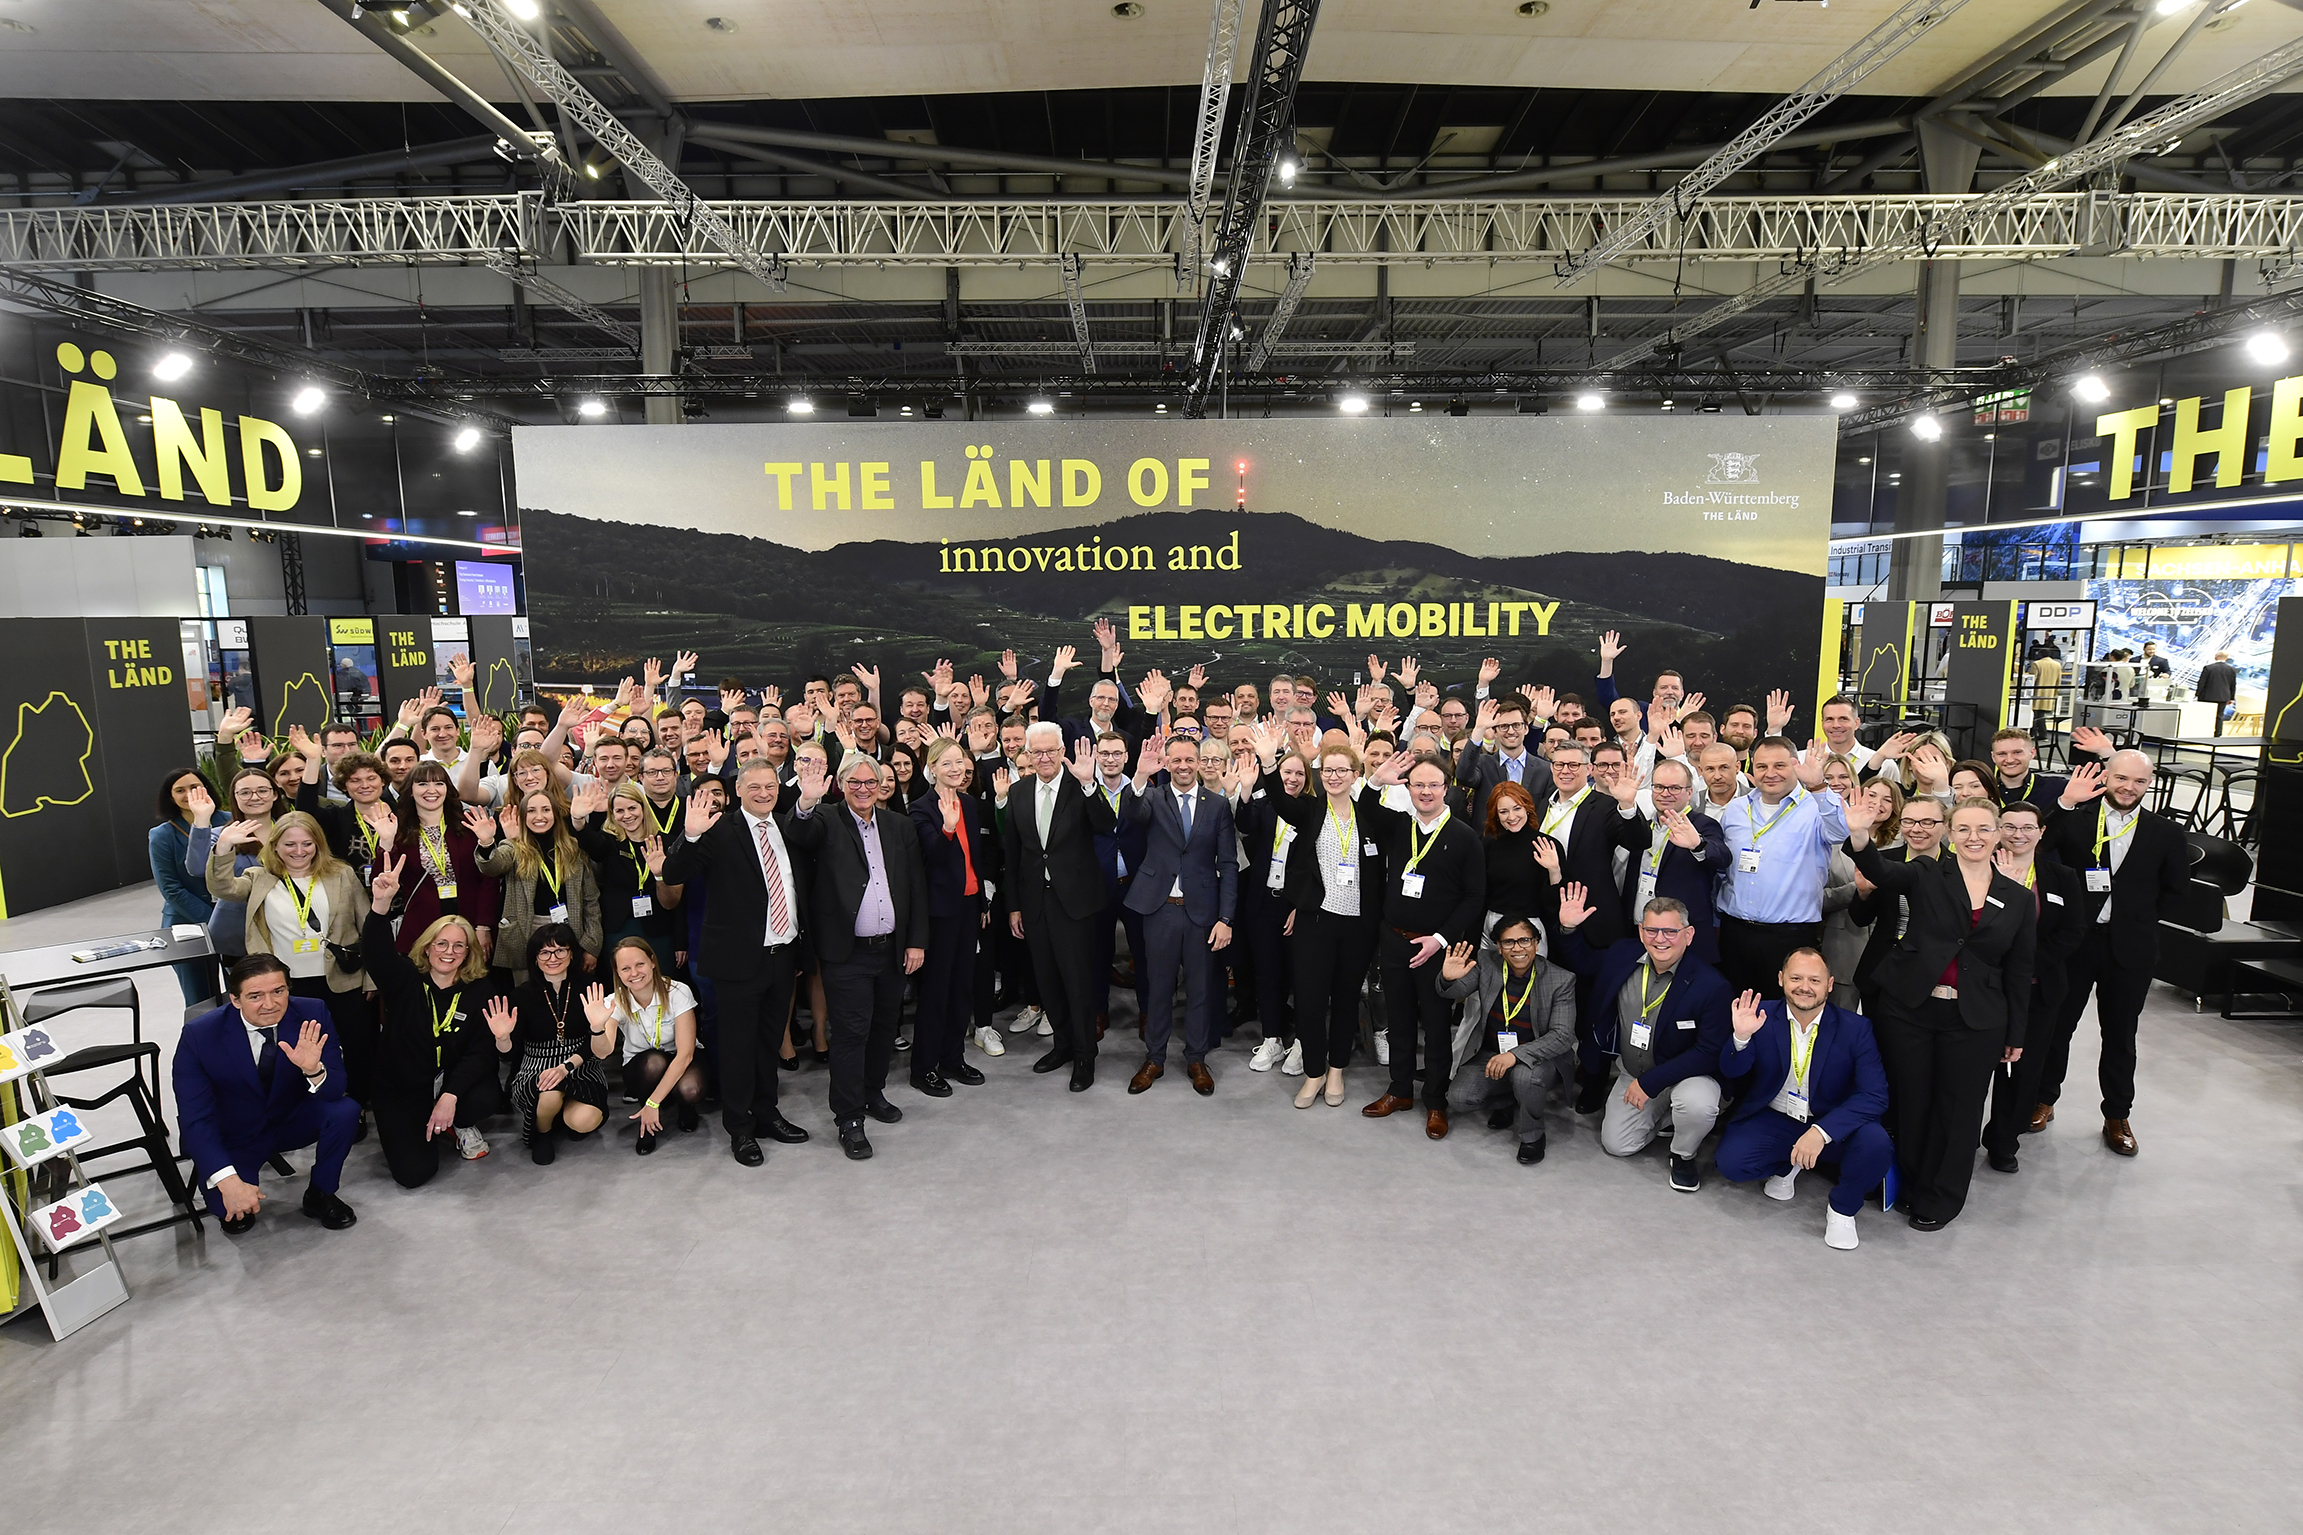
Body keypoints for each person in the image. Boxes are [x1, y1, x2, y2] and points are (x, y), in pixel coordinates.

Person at [1843, 793, 2035, 1230]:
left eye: (1984, 829)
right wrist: (1859, 835)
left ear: (1998, 834)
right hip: (1910, 1010)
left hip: (1976, 1020)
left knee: (1960, 1111)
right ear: (1949, 834)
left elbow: (2020, 970)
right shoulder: (1928, 872)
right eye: (1963, 829)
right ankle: (1909, 1186)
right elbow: (1881, 871)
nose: (1973, 837)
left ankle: (1941, 1197)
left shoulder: (2017, 898)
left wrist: (2017, 1035)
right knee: (1912, 1103)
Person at [2030, 752, 2192, 1157]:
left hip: (2130, 948)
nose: (2128, 787)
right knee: (2058, 1026)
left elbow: (2177, 891)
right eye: (2122, 778)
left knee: (2120, 1035)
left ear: (2149, 783)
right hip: (2074, 943)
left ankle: (2117, 1114)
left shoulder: (2166, 832)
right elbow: (2037, 842)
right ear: (2108, 776)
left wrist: (2137, 917)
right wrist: (2066, 801)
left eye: (2138, 781)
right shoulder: (2077, 817)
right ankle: (2043, 1099)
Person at [661, 758, 821, 1164]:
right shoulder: (719, 829)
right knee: (736, 1048)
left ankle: (767, 1113)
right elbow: (674, 871)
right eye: (755, 788)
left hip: (782, 955)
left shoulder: (787, 825)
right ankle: (740, 1127)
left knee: (769, 1041)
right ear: (738, 792)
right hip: (737, 961)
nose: (764, 793)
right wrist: (690, 835)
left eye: (770, 786)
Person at [785, 755, 931, 1160]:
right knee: (851, 1034)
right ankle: (849, 1118)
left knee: (885, 1026)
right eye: (855, 782)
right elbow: (798, 833)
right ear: (842, 785)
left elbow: (916, 885)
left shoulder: (899, 826)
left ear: (882, 785)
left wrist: (916, 941)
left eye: (871, 782)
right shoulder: (827, 819)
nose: (863, 788)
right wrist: (806, 801)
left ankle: (873, 1092)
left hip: (892, 949)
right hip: (845, 953)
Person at [1554, 884, 1732, 1191]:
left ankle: (1683, 1153)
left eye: (1670, 932)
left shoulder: (1711, 986)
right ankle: (1666, 1115)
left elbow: (1708, 1051)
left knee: (1697, 1104)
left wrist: (1651, 1084)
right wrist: (1568, 929)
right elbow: (1582, 962)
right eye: (1652, 930)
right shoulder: (1623, 954)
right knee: (1617, 1144)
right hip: (1633, 1072)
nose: (1660, 939)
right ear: (1641, 932)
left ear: (1688, 935)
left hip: (1687, 1076)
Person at [1714, 951, 1894, 1251]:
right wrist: (1741, 1038)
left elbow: (1875, 1095)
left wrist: (1820, 1133)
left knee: (1875, 1143)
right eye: (1796, 978)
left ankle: (1842, 1210)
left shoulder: (1855, 1029)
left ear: (1830, 985)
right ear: (1781, 979)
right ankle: (1789, 1164)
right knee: (1731, 1163)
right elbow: (1731, 1072)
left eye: (1814, 980)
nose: (1804, 987)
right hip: (1776, 1117)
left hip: (1831, 1122)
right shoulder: (1761, 1016)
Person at [202, 809, 374, 1112]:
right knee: (296, 1047)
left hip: (342, 979)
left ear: (318, 844)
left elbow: (367, 926)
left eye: (307, 844)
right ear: (275, 846)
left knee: (356, 1045)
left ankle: (356, 1103)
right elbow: (221, 887)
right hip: (286, 985)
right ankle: (306, 1106)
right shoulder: (259, 877)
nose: (299, 851)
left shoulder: (341, 874)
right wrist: (224, 847)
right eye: (290, 844)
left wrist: (372, 977)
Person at [172, 955, 358, 1233]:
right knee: (230, 1211)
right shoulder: (199, 1035)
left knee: (346, 1111)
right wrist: (228, 1181)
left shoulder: (313, 1013)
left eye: (278, 991)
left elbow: (334, 1091)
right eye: (255, 996)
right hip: (235, 1135)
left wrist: (313, 1070)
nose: (270, 1004)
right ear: (235, 999)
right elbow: (195, 1118)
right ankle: (236, 1181)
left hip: (291, 1118)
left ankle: (321, 1192)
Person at [1356, 752, 1486, 1138]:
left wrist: (1441, 939)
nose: (1425, 791)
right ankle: (1399, 1090)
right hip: (1394, 940)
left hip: (1438, 949)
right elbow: (1365, 807)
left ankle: (1435, 1102)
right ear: (1408, 789)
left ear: (1447, 789)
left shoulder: (1465, 836)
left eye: (1433, 784)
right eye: (1418, 785)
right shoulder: (1399, 826)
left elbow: (1474, 898)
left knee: (1435, 1026)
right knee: (1397, 1020)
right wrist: (1377, 779)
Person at [361, 849, 508, 1185]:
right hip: (403, 1085)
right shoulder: (405, 979)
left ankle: (457, 1120)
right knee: (415, 1173)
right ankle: (424, 1120)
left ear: (469, 952)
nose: (449, 952)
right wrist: (380, 905)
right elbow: (376, 952)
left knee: (485, 1097)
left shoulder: (480, 989)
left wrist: (450, 1095)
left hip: (448, 1079)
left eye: (459, 946)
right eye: (441, 944)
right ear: (427, 947)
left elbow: (480, 1053)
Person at [1256, 741, 1381, 1109]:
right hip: (1316, 920)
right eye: (1328, 769)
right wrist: (1267, 762)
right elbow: (1280, 800)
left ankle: (1337, 1069)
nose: (1334, 776)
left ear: (1356, 775)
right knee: (1310, 1002)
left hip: (1358, 925)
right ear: (1320, 773)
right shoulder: (1310, 810)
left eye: (1343, 770)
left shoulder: (1369, 815)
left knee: (1345, 1000)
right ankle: (1314, 1073)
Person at [1000, 722, 1121, 1092]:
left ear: (1062, 751)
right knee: (1048, 981)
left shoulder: (1080, 786)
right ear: (1028, 755)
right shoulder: (1019, 792)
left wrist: (1089, 784)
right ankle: (1063, 1046)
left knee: (1078, 983)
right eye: (1037, 752)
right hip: (1036, 903)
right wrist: (1014, 907)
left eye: (1051, 751)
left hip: (1076, 905)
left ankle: (1086, 1056)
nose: (1045, 758)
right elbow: (1014, 854)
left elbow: (1106, 824)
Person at [1115, 732, 1237, 1097]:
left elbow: (1228, 864)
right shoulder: (1150, 796)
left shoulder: (1216, 805)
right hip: (1159, 910)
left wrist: (1226, 918)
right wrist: (1139, 776)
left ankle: (1197, 1058)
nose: (1183, 767)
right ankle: (1155, 1057)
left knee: (1200, 990)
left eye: (1189, 760)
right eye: (1176, 761)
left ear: (1200, 763)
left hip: (1202, 913)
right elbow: (1129, 815)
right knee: (1159, 989)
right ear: (1166, 763)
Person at [1979, 800, 2090, 1173]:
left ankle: (2003, 1141)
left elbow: (2073, 932)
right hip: (1985, 986)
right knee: (1975, 1067)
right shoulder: (1979, 870)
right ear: (1997, 831)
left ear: (2042, 832)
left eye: (2028, 828)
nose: (2018, 835)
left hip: (2038, 989)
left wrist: (2024, 963)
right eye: (2009, 827)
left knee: (2023, 1071)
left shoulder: (2061, 877)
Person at [1713, 738, 1848, 999]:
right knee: (1733, 1009)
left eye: (1779, 765)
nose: (1770, 773)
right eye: (1762, 766)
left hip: (1789, 935)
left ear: (1795, 766)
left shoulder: (1816, 807)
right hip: (1735, 932)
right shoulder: (1736, 809)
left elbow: (1840, 833)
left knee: (1781, 1015)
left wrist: (1819, 786)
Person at [1438, 915, 1576, 1164]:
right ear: (1499, 947)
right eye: (1509, 942)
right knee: (1458, 1098)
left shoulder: (1561, 979)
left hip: (1540, 1057)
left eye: (1525, 940)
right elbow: (1453, 993)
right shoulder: (1486, 963)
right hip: (1492, 1052)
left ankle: (1533, 1136)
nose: (1518, 948)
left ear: (1536, 943)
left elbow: (1562, 1036)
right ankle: (1513, 1098)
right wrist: (1448, 978)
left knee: (1525, 1076)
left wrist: (1515, 1056)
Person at [909, 737, 1002, 1093]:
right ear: (932, 767)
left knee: (963, 986)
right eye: (946, 763)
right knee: (936, 991)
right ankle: (924, 1067)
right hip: (938, 914)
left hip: (968, 908)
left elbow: (975, 861)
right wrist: (947, 828)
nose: (955, 769)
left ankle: (952, 1058)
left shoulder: (969, 803)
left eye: (960, 763)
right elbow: (931, 858)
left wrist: (980, 904)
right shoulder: (920, 808)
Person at [499, 924, 615, 1164]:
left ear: (572, 953)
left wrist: (566, 1066)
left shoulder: (589, 987)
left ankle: (560, 1117)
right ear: (535, 958)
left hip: (582, 1065)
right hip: (536, 1066)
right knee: (549, 1094)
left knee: (585, 1121)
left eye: (560, 950)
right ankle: (543, 1133)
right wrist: (502, 1038)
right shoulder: (521, 995)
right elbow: (510, 1054)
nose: (553, 958)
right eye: (544, 952)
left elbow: (597, 1050)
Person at [477, 788, 603, 985]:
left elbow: (591, 900)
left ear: (555, 813)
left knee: (570, 989)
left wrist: (592, 945)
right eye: (532, 811)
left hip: (570, 928)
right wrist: (486, 843)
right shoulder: (513, 846)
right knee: (529, 992)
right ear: (523, 816)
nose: (539, 816)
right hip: (526, 930)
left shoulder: (573, 848)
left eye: (545, 810)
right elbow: (493, 866)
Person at [1232, 747, 1308, 1075]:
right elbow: (1244, 824)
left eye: (1298, 774)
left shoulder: (1311, 810)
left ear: (1307, 780)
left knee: (1301, 977)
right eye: (1286, 773)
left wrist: (1300, 907)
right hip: (1262, 903)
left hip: (1295, 908)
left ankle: (1303, 1042)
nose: (1291, 779)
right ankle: (1272, 1038)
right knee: (1267, 973)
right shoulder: (1263, 806)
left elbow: (1315, 866)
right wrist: (1246, 790)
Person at [593, 936, 704, 1155]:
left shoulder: (678, 992)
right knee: (654, 1062)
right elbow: (603, 1052)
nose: (634, 973)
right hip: (642, 1066)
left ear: (652, 961)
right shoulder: (613, 1002)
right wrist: (597, 1027)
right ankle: (646, 1111)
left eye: (639, 964)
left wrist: (654, 1104)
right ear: (617, 973)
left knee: (691, 1088)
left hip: (680, 1058)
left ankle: (682, 1105)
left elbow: (685, 1055)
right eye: (625, 968)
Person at [1615, 757, 1728, 964]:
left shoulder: (1703, 825)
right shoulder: (1644, 825)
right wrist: (1626, 804)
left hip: (1683, 936)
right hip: (1640, 930)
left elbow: (1722, 857)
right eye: (1659, 787)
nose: (1665, 793)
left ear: (1689, 792)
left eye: (1674, 788)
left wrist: (1698, 844)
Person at [386, 762, 500, 963]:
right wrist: (385, 845)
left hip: (469, 922)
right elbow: (385, 880)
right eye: (422, 784)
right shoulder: (398, 831)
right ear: (411, 791)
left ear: (447, 788)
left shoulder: (468, 825)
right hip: (422, 926)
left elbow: (488, 879)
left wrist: (483, 926)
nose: (431, 790)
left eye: (438, 783)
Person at [188, 766, 283, 970]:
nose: (254, 797)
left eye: (262, 790)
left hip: (288, 926)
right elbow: (196, 868)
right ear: (235, 798)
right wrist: (202, 820)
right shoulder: (222, 835)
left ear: (275, 794)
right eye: (245, 792)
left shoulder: (292, 832)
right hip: (237, 933)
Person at [152, 768, 220, 1004]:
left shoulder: (230, 821)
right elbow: (170, 888)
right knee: (200, 999)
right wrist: (213, 919)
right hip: (186, 924)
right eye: (179, 790)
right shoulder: (162, 835)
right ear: (170, 797)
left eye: (194, 787)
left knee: (242, 991)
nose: (188, 794)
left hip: (235, 919)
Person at [1456, 695, 1554, 807]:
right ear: (1495, 732)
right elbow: (1463, 776)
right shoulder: (1483, 764)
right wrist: (1479, 729)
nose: (1511, 731)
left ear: (1526, 729)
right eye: (1504, 726)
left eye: (1516, 725)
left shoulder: (1545, 769)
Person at [1986, 728, 2065, 811]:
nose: (2010, 760)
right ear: (1993, 757)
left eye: (2017, 752)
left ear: (2032, 753)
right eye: (2002, 754)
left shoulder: (2056, 788)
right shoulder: (1984, 791)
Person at [2195, 650, 2238, 734]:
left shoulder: (2208, 668)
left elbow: (2202, 683)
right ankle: (2218, 734)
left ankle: (2205, 733)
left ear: (2217, 656)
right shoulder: (2231, 669)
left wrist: (2198, 694)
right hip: (2223, 697)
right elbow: (2233, 685)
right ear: (2226, 658)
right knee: (2219, 715)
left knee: (2206, 715)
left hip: (2208, 696)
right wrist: (2231, 698)